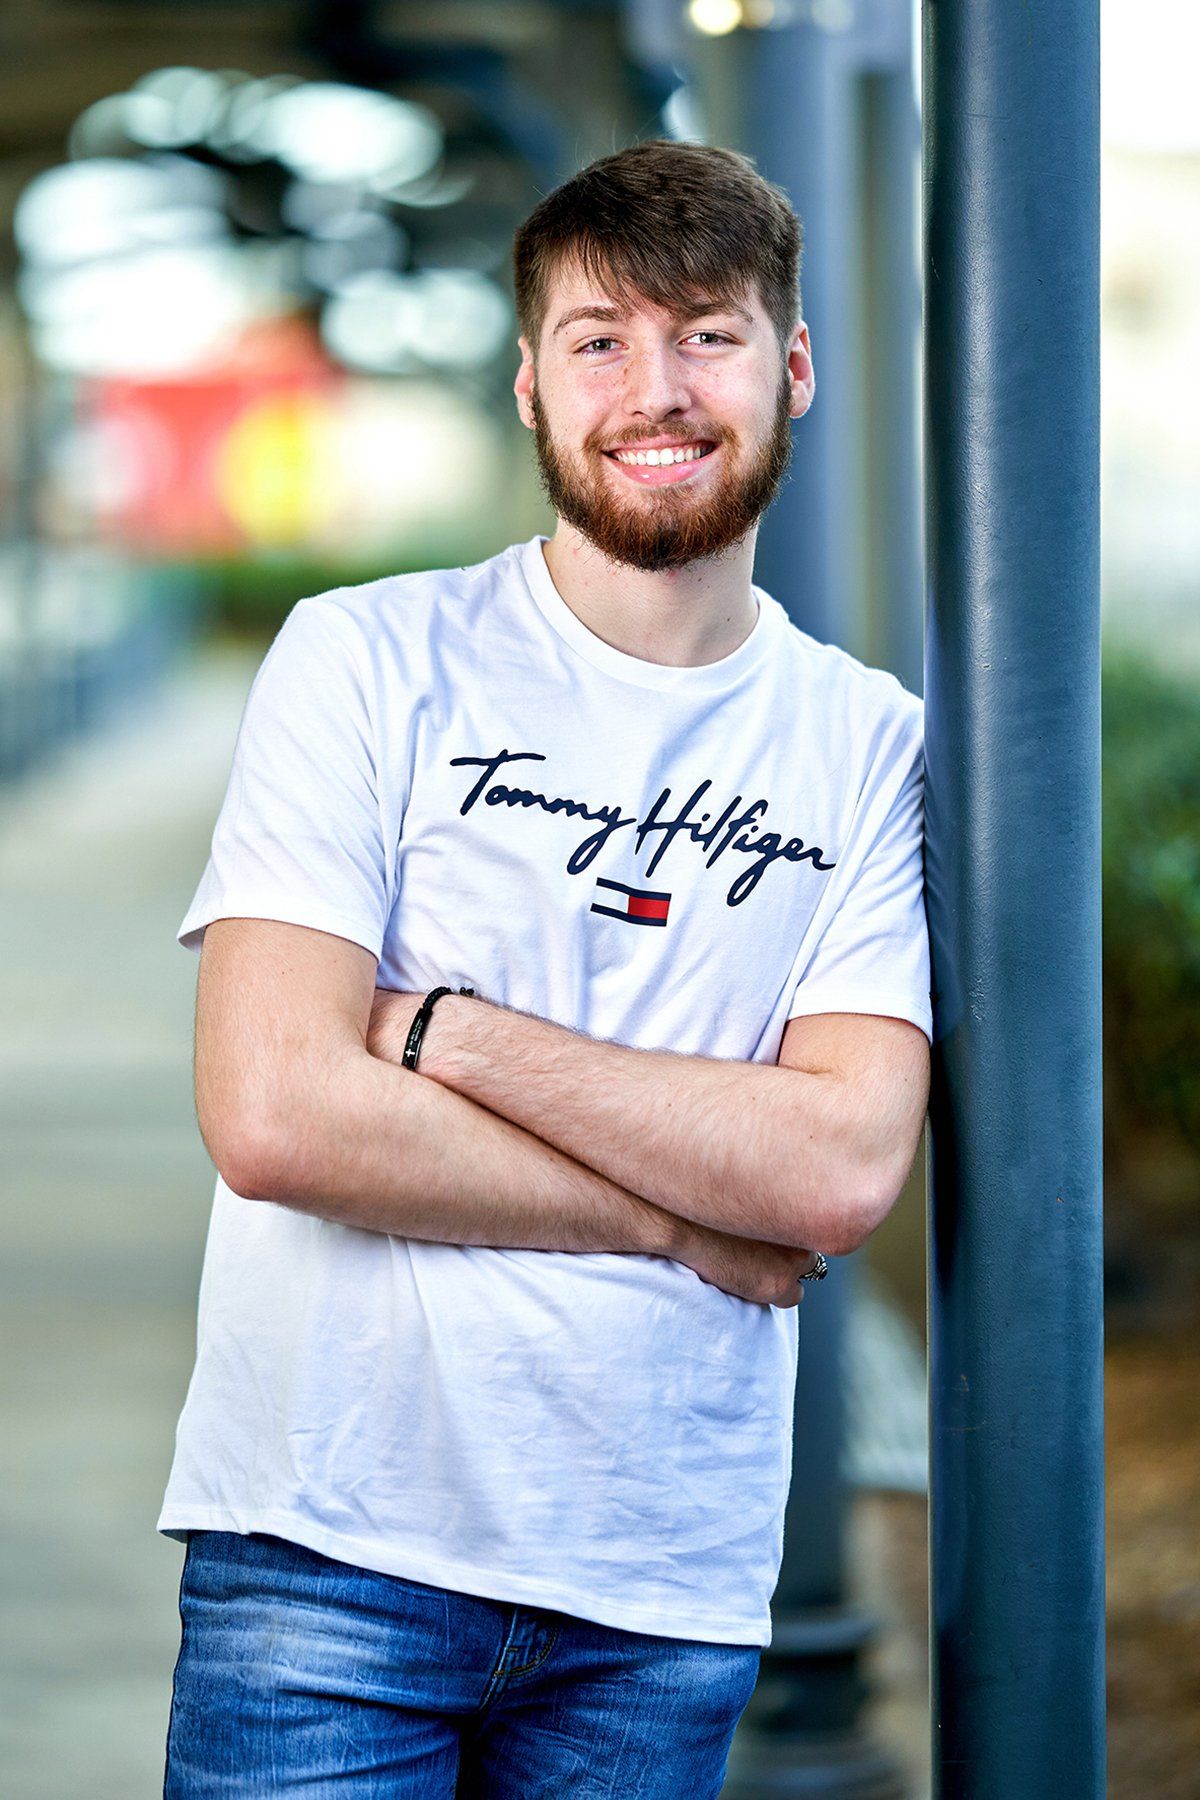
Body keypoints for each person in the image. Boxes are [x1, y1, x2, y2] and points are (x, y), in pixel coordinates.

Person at [159, 138, 931, 1798]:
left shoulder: (866, 742)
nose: (654, 391)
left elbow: (841, 1160)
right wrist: (676, 1211)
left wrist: (448, 1035)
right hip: (328, 1558)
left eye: (707, 334)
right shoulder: (366, 659)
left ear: (793, 368)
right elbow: (281, 1115)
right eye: (599, 341)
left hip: (660, 1597)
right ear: (529, 385)